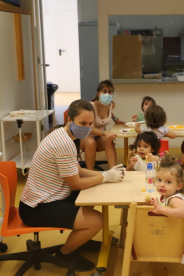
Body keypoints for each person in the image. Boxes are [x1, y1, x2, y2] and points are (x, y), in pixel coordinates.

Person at [19, 99, 126, 272]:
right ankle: (65, 253)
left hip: (49, 196)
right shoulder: (64, 143)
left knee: (93, 193)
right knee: (97, 220)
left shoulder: (65, 135)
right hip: (37, 208)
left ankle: (82, 240)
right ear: (70, 120)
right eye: (82, 123)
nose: (87, 127)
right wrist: (105, 176)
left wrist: (107, 174)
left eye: (91, 123)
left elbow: (77, 170)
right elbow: (75, 184)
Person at [80, 80, 125, 170]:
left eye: (110, 92)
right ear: (98, 93)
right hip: (85, 136)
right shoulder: (91, 106)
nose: (107, 94)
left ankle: (115, 171)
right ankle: (90, 172)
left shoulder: (111, 105)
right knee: (91, 142)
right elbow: (88, 128)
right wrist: (105, 133)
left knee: (109, 140)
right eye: (104, 91)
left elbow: (110, 113)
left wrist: (116, 119)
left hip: (99, 136)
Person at [147, 155, 184, 219]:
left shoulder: (174, 199)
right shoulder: (167, 196)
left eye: (168, 182)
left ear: (179, 186)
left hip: (179, 228)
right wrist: (156, 205)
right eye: (159, 180)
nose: (162, 185)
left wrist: (161, 210)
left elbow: (182, 213)